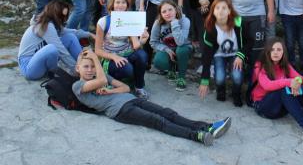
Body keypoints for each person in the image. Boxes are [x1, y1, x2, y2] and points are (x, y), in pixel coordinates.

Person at [73, 49, 231, 146]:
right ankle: (197, 136)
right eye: (86, 66)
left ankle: (207, 127)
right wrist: (95, 58)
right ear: (77, 68)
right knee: (158, 121)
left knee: (168, 113)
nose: (90, 69)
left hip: (131, 99)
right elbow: (101, 81)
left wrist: (110, 92)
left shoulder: (101, 76)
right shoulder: (78, 86)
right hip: (120, 110)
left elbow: (125, 88)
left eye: (92, 66)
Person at [251, 37, 303, 144]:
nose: (275, 52)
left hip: (281, 109)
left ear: (283, 52)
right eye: (272, 49)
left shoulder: (285, 65)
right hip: (264, 107)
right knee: (284, 89)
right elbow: (267, 86)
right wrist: (289, 82)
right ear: (267, 51)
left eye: (279, 50)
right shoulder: (260, 66)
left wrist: (296, 82)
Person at [94, 0, 150, 99]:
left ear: (127, 5)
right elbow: (97, 50)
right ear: (112, 4)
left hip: (127, 52)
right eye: (117, 2)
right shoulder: (103, 22)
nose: (120, 5)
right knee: (127, 69)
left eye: (123, 2)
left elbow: (136, 46)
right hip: (110, 57)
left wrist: (144, 39)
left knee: (142, 55)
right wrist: (114, 57)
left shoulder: (130, 19)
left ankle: (139, 87)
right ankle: (115, 81)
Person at [199, 0, 251, 107]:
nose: (220, 11)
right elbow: (206, 56)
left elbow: (250, 41)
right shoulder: (210, 28)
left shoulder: (239, 23)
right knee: (219, 77)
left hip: (236, 54)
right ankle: (221, 90)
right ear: (213, 11)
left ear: (229, 11)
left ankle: (236, 94)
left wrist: (241, 55)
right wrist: (204, 80)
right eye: (217, 8)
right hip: (219, 54)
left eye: (224, 8)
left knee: (237, 76)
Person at [17, 0, 89, 80]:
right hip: (28, 67)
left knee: (70, 37)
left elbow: (68, 31)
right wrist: (75, 68)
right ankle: (58, 73)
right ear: (55, 14)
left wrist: (89, 34)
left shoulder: (51, 24)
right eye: (62, 16)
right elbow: (61, 50)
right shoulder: (46, 25)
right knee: (52, 48)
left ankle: (86, 64)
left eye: (65, 16)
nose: (64, 19)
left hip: (38, 60)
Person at [150, 0, 192, 91]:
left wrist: (174, 23)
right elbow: (153, 42)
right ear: (161, 14)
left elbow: (180, 42)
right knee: (158, 61)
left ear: (176, 10)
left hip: (183, 48)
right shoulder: (158, 23)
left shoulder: (185, 21)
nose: (167, 13)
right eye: (164, 12)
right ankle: (171, 70)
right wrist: (166, 49)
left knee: (181, 50)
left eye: (170, 9)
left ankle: (181, 77)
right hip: (168, 48)